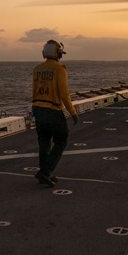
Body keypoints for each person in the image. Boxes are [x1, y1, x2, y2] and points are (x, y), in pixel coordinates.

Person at [31, 39, 79, 187]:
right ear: (58, 53)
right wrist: (73, 113)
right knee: (61, 140)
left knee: (44, 142)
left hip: (38, 109)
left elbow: (34, 90)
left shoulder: (37, 69)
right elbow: (64, 94)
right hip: (53, 110)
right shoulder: (59, 69)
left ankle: (45, 173)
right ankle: (45, 172)